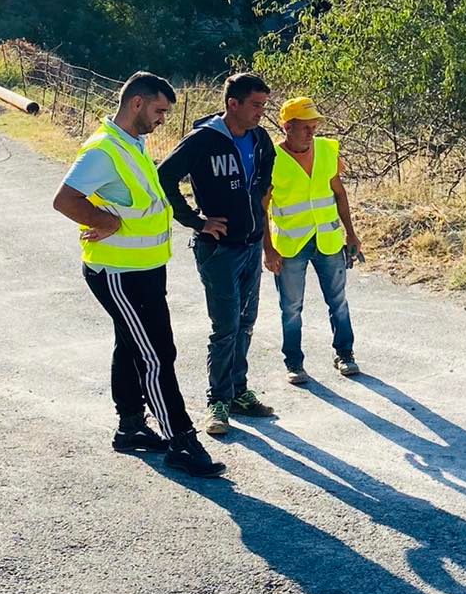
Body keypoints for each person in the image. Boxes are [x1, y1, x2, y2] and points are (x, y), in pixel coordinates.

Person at [50, 72, 225, 478]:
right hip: (119, 272)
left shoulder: (133, 143)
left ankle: (130, 426)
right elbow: (64, 199)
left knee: (132, 344)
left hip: (145, 269)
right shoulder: (102, 151)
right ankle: (181, 439)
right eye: (160, 110)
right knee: (157, 353)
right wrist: (100, 220)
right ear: (137, 104)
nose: (163, 118)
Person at [157, 71, 279, 438]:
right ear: (233, 104)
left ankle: (239, 392)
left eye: (264, 105)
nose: (261, 113)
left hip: (250, 244)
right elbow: (163, 178)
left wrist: (259, 202)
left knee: (245, 322)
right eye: (256, 105)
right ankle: (218, 401)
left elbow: (266, 171)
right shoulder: (203, 140)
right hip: (218, 251)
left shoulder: (259, 138)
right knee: (225, 326)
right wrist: (195, 221)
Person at [264, 95, 363, 386]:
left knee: (338, 301)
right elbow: (262, 206)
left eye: (314, 126)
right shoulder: (270, 158)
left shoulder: (327, 150)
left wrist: (351, 233)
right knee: (291, 307)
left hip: (328, 240)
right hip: (290, 245)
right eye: (305, 126)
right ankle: (294, 363)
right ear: (287, 126)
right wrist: (268, 250)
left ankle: (345, 354)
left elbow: (339, 193)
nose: (311, 132)